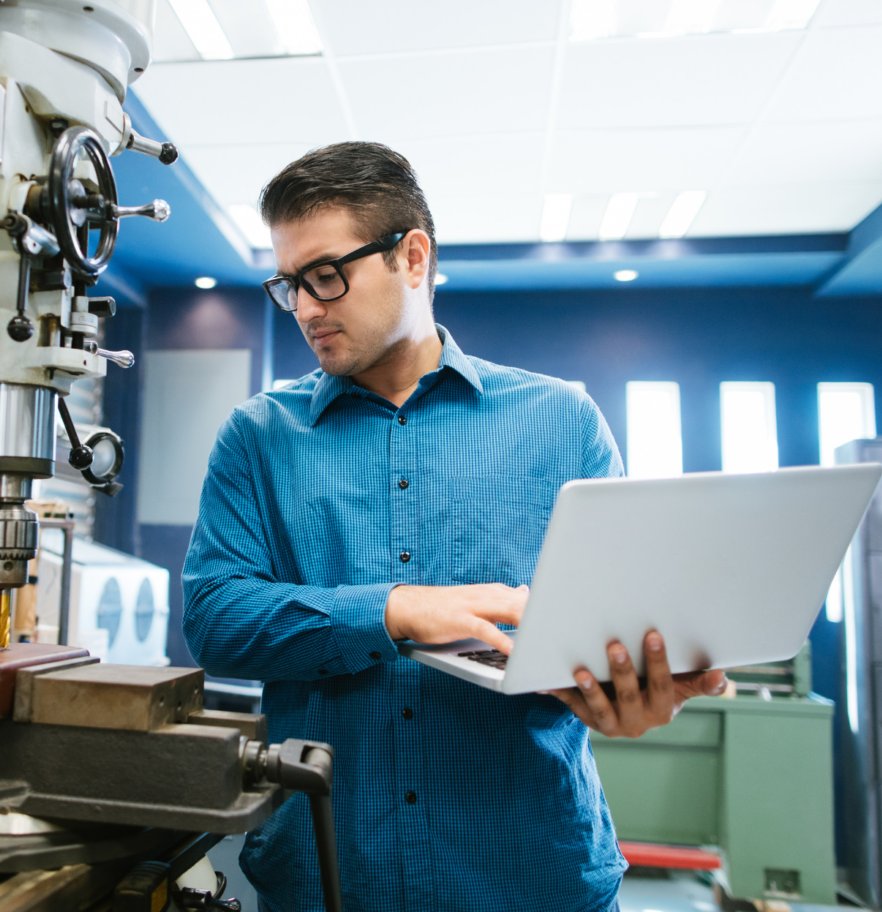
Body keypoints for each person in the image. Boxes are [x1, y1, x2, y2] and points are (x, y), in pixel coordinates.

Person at [181, 142, 727, 912]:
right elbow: (213, 618)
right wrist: (395, 611)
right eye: (289, 284)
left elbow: (617, 619)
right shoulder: (258, 436)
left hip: (530, 879)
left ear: (412, 256)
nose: (305, 308)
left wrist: (639, 689)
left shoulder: (560, 423)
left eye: (326, 276)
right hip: (328, 879)